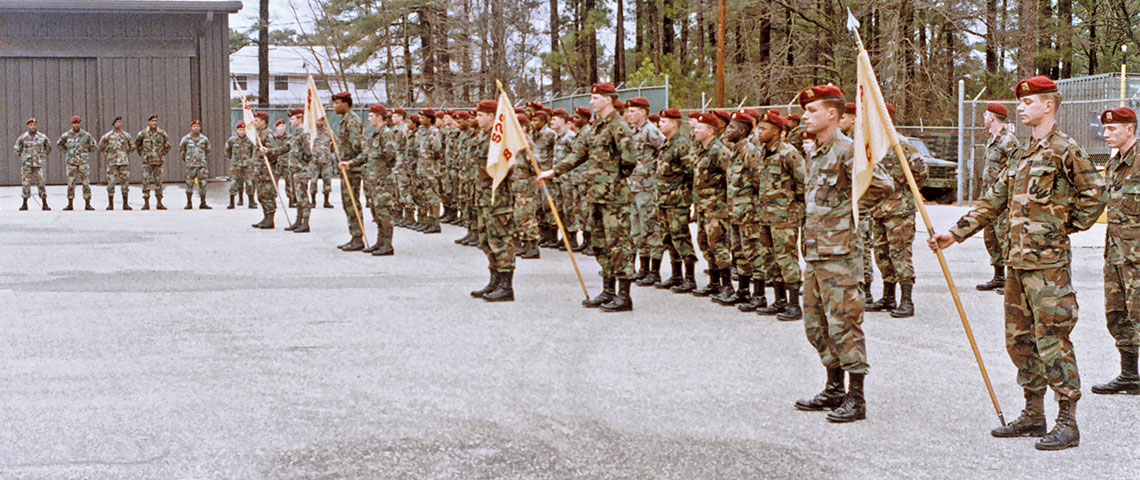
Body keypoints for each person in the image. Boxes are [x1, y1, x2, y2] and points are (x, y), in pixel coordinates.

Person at [928, 76, 1106, 450]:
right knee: (1019, 342)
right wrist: (955, 233)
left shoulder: (1065, 150)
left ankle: (1067, 421)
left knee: (1053, 340)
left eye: (1029, 102)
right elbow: (994, 199)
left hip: (1048, 266)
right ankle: (1033, 413)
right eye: (1020, 102)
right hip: (1016, 263)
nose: (1021, 107)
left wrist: (1061, 226)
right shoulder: (1022, 154)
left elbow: (1094, 195)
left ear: (1049, 105)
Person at [792, 84, 893, 424]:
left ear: (831, 114)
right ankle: (834, 387)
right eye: (805, 111)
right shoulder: (816, 152)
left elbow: (882, 184)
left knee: (845, 324)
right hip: (815, 253)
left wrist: (850, 213)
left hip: (839, 253)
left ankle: (856, 397)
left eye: (812, 110)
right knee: (816, 324)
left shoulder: (848, 150)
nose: (806, 116)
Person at [540, 82, 637, 312]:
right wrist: (554, 171)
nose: (591, 101)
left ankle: (624, 296)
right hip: (595, 195)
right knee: (601, 245)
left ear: (608, 99)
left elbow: (629, 159)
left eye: (595, 97)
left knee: (619, 245)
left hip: (613, 198)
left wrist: (614, 179)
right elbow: (578, 154)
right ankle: (608, 291)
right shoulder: (596, 127)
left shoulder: (618, 125)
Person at [1091, 106, 1140, 396]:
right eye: (1105, 129)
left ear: (1130, 130)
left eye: (1112, 129)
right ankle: (1130, 375)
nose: (1106, 134)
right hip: (1116, 252)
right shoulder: (1113, 163)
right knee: (1117, 314)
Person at [865, 103, 927, 318]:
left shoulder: (900, 144)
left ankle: (907, 301)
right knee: (881, 254)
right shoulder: (872, 144)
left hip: (899, 211)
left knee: (899, 254)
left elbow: (921, 171)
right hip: (878, 210)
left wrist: (903, 188)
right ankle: (888, 296)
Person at [749, 110, 805, 320]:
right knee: (770, 258)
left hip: (784, 217)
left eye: (763, 128)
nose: (759, 132)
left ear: (777, 130)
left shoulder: (788, 153)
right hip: (765, 215)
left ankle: (793, 304)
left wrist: (796, 210)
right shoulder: (764, 152)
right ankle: (779, 300)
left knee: (786, 258)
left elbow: (802, 182)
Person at [469, 100, 517, 302]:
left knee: (501, 239)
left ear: (491, 116)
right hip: (484, 197)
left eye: (481, 115)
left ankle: (506, 286)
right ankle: (494, 280)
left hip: (499, 197)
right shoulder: (483, 137)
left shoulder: (501, 138)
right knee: (486, 239)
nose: (477, 118)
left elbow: (511, 165)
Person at [716, 110, 763, 306]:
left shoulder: (749, 152)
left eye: (733, 127)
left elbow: (759, 182)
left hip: (748, 213)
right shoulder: (735, 150)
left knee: (754, 252)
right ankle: (743, 291)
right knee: (739, 251)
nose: (728, 130)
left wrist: (755, 210)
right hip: (735, 212)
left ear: (743, 131)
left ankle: (759, 295)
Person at [975, 102, 1020, 292]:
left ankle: (1012, 281)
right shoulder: (992, 139)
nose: (984, 118)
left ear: (992, 118)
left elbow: (1015, 169)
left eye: (986, 115)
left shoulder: (1008, 141)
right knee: (991, 238)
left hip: (1003, 200)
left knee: (1005, 238)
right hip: (989, 198)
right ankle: (999, 276)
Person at [344, 104, 398, 254]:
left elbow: (390, 155)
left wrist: (381, 171)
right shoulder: (376, 134)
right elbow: (366, 155)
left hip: (382, 181)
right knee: (376, 212)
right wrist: (350, 163)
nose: (369, 119)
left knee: (384, 212)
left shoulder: (386, 134)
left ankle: (388, 244)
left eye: (371, 116)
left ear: (380, 117)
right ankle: (380, 242)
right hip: (374, 181)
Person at [690, 112, 733, 298]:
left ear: (710, 131)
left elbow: (730, 178)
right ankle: (714, 282)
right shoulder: (701, 150)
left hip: (717, 207)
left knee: (719, 245)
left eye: (699, 128)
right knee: (705, 243)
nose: (695, 131)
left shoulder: (720, 151)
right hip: (703, 207)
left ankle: (727, 285)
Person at [654, 108, 697, 293]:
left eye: (663, 122)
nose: (659, 124)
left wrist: (685, 195)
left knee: (680, 236)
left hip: (677, 199)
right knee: (668, 237)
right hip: (664, 199)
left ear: (674, 123)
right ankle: (676, 275)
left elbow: (691, 172)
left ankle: (689, 278)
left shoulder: (681, 144)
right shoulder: (667, 143)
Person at [625, 97, 667, 286]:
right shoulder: (634, 131)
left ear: (643, 112)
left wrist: (656, 173)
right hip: (634, 186)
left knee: (651, 227)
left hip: (648, 187)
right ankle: (643, 267)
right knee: (637, 229)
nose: (629, 114)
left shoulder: (651, 130)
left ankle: (654, 270)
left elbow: (664, 149)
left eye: (633, 111)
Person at [332, 92, 366, 250]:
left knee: (352, 203)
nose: (334, 106)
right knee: (348, 203)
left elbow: (357, 146)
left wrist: (349, 160)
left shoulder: (352, 121)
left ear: (345, 103)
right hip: (346, 166)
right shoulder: (345, 120)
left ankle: (358, 238)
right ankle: (354, 236)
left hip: (352, 168)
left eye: (337, 103)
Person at [251, 112, 287, 229]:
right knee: (261, 195)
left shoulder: (268, 135)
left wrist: (268, 151)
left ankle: (270, 219)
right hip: (259, 170)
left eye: (256, 120)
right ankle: (265, 217)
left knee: (268, 195)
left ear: (263, 121)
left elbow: (275, 151)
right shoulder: (258, 134)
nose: (254, 122)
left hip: (267, 170)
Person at [57, 115, 97, 211]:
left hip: (83, 162)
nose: (76, 125)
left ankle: (87, 203)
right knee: (71, 183)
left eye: (78, 123)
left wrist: (86, 152)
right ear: (72, 124)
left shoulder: (86, 135)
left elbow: (94, 145)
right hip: (71, 163)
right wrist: (66, 151)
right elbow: (59, 144)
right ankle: (70, 204)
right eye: (74, 123)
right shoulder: (66, 135)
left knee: (86, 183)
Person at [283, 109, 312, 232]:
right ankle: (298, 221)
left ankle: (305, 222)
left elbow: (308, 152)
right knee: (297, 197)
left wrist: (301, 164)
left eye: (293, 118)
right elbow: (287, 148)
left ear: (300, 119)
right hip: (294, 170)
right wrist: (269, 151)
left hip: (301, 170)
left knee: (302, 197)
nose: (291, 121)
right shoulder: (296, 134)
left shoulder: (304, 134)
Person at [13, 117, 51, 210]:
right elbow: (16, 148)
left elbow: (48, 146)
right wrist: (23, 157)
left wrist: (43, 155)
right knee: (26, 183)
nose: (32, 127)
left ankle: (44, 203)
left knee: (41, 183)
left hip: (39, 164)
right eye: (30, 125)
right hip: (27, 164)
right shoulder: (23, 137)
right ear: (27, 126)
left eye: (34, 125)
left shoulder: (42, 137)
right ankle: (24, 204)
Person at [416, 109, 444, 234]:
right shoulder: (423, 132)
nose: (421, 120)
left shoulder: (434, 131)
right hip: (423, 168)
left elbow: (437, 150)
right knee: (427, 196)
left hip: (431, 170)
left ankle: (435, 223)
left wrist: (432, 164)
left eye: (423, 118)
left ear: (429, 119)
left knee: (433, 196)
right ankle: (429, 222)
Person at [135, 114, 171, 210]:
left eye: (155, 121)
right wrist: (143, 155)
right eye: (152, 121)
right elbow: (137, 145)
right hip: (147, 162)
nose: (154, 123)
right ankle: (146, 202)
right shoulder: (143, 133)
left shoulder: (162, 133)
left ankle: (159, 202)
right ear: (148, 122)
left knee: (158, 182)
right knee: (146, 182)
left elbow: (168, 146)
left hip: (158, 162)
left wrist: (161, 154)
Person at [99, 116, 133, 210]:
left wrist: (126, 153)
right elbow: (100, 146)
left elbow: (132, 146)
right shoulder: (108, 136)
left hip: (123, 163)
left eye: (120, 122)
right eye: (117, 122)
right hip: (112, 163)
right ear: (113, 124)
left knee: (125, 183)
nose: (119, 124)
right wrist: (107, 153)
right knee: (111, 183)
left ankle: (125, 204)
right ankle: (110, 204)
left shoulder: (126, 135)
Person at [179, 120, 211, 209]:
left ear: (200, 128)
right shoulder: (186, 139)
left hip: (201, 165)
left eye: (197, 126)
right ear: (191, 128)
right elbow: (182, 150)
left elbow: (208, 149)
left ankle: (203, 202)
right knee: (189, 184)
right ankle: (189, 203)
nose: (196, 128)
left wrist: (201, 158)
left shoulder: (204, 139)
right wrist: (188, 160)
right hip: (191, 165)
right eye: (194, 126)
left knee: (203, 184)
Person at [225, 122, 256, 209]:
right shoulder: (232, 140)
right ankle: (232, 202)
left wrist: (251, 160)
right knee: (233, 183)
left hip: (247, 166)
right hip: (235, 166)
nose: (241, 131)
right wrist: (233, 159)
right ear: (236, 130)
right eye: (240, 130)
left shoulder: (250, 140)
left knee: (249, 183)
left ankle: (251, 201)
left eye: (243, 130)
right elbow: (227, 150)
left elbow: (254, 151)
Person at [310, 117, 336, 208]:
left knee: (327, 180)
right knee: (313, 181)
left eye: (321, 120)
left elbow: (334, 145)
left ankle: (326, 201)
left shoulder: (329, 132)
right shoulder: (311, 131)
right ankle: (313, 201)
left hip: (326, 161)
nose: (319, 122)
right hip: (314, 161)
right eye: (318, 120)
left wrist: (328, 153)